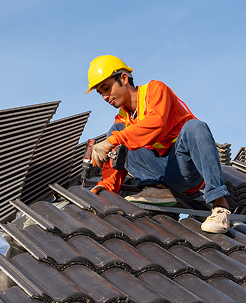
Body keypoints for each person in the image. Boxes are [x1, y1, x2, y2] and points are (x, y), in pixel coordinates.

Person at [85, 55, 233, 233]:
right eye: (100, 93)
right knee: (117, 131)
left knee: (195, 126)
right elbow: (118, 155)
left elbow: (156, 123)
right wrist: (105, 188)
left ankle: (220, 206)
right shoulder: (122, 119)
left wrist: (111, 141)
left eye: (106, 88)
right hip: (159, 174)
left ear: (123, 78)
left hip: (184, 169)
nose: (104, 96)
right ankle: (157, 190)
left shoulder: (156, 90)